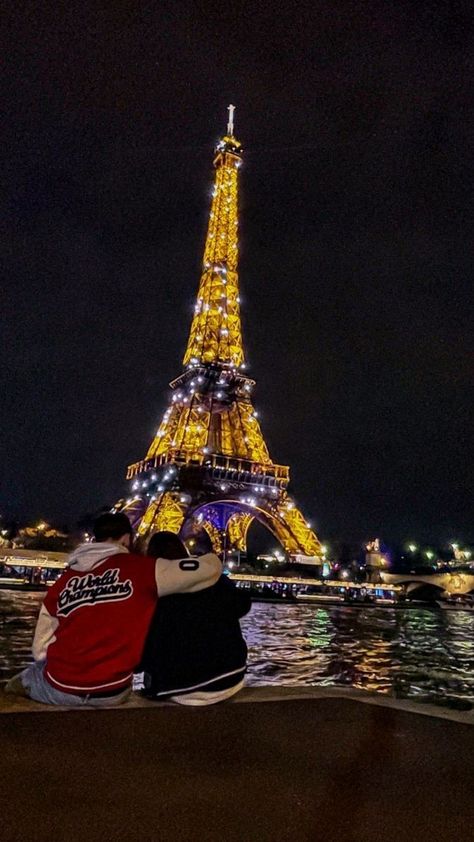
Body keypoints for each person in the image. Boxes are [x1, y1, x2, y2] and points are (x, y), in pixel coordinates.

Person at [5, 513, 221, 706]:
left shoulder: (63, 582)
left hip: (60, 688)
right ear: (126, 539)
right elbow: (208, 570)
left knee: (21, 680)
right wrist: (214, 557)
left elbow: (40, 649)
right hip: (112, 691)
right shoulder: (144, 570)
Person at [140, 531, 251, 706]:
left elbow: (142, 655)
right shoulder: (213, 578)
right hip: (230, 678)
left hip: (177, 688)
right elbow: (243, 604)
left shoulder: (152, 590)